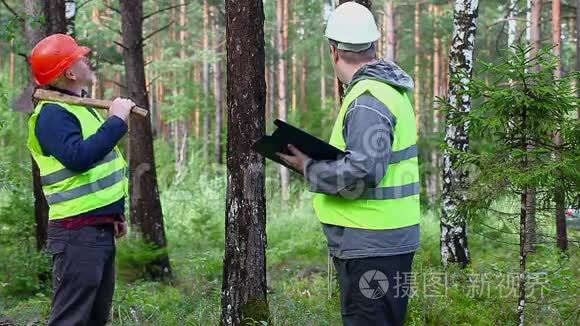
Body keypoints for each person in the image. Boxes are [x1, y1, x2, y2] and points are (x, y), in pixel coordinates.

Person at [278, 3, 420, 325]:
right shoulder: (388, 91)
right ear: (373, 45)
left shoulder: (368, 99)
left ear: (333, 52)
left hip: (372, 243)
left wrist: (309, 167)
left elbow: (365, 170)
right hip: (383, 242)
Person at [27, 34, 135, 326]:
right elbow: (78, 158)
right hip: (76, 233)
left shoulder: (79, 107)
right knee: (71, 319)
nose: (87, 59)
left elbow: (99, 168)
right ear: (70, 73)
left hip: (97, 226)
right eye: (80, 57)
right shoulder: (52, 115)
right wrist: (117, 121)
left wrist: (114, 212)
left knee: (94, 318)